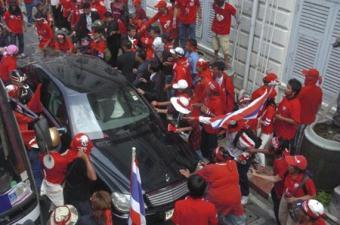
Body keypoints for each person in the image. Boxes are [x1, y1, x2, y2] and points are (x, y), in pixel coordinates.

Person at [180, 147, 245, 225]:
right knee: (237, 219)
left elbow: (195, 177)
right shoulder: (233, 164)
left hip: (218, 200)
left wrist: (188, 174)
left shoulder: (210, 169)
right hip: (236, 198)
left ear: (214, 157)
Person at [250, 138, 290, 225]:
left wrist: (256, 175)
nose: (269, 147)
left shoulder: (282, 163)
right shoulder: (284, 151)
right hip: (277, 187)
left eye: (271, 146)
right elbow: (270, 151)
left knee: (279, 211)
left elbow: (275, 178)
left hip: (281, 191)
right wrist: (256, 150)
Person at [63, 133, 97, 216]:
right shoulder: (81, 162)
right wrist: (85, 158)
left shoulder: (68, 155)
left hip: (69, 194)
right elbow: (93, 177)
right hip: (81, 199)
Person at [278, 155, 317, 225]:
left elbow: (313, 195)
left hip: (297, 205)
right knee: (281, 217)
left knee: (291, 223)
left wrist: (295, 199)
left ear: (297, 169)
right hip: (285, 198)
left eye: (291, 165)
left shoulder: (307, 181)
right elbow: (277, 178)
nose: (288, 165)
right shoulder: (288, 171)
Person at [295, 68, 323, 153]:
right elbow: (319, 106)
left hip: (300, 121)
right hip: (310, 121)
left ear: (309, 79)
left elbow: (294, 105)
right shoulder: (319, 91)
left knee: (297, 142)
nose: (304, 78)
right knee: (303, 142)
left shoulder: (303, 90)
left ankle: (294, 159)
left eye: (306, 76)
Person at [274, 78, 302, 151]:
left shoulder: (296, 104)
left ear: (294, 92)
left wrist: (280, 118)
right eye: (287, 86)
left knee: (278, 153)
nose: (285, 89)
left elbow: (296, 122)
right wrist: (273, 105)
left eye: (288, 88)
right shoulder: (286, 97)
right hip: (278, 131)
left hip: (285, 137)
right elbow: (281, 106)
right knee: (274, 149)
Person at [211, 0, 237, 67]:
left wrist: (238, 20)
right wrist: (215, 3)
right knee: (215, 45)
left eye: (217, 2)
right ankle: (215, 57)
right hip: (215, 29)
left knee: (225, 48)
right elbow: (213, 7)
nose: (216, 3)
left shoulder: (229, 7)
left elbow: (235, 13)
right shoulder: (215, 4)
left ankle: (226, 61)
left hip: (224, 32)